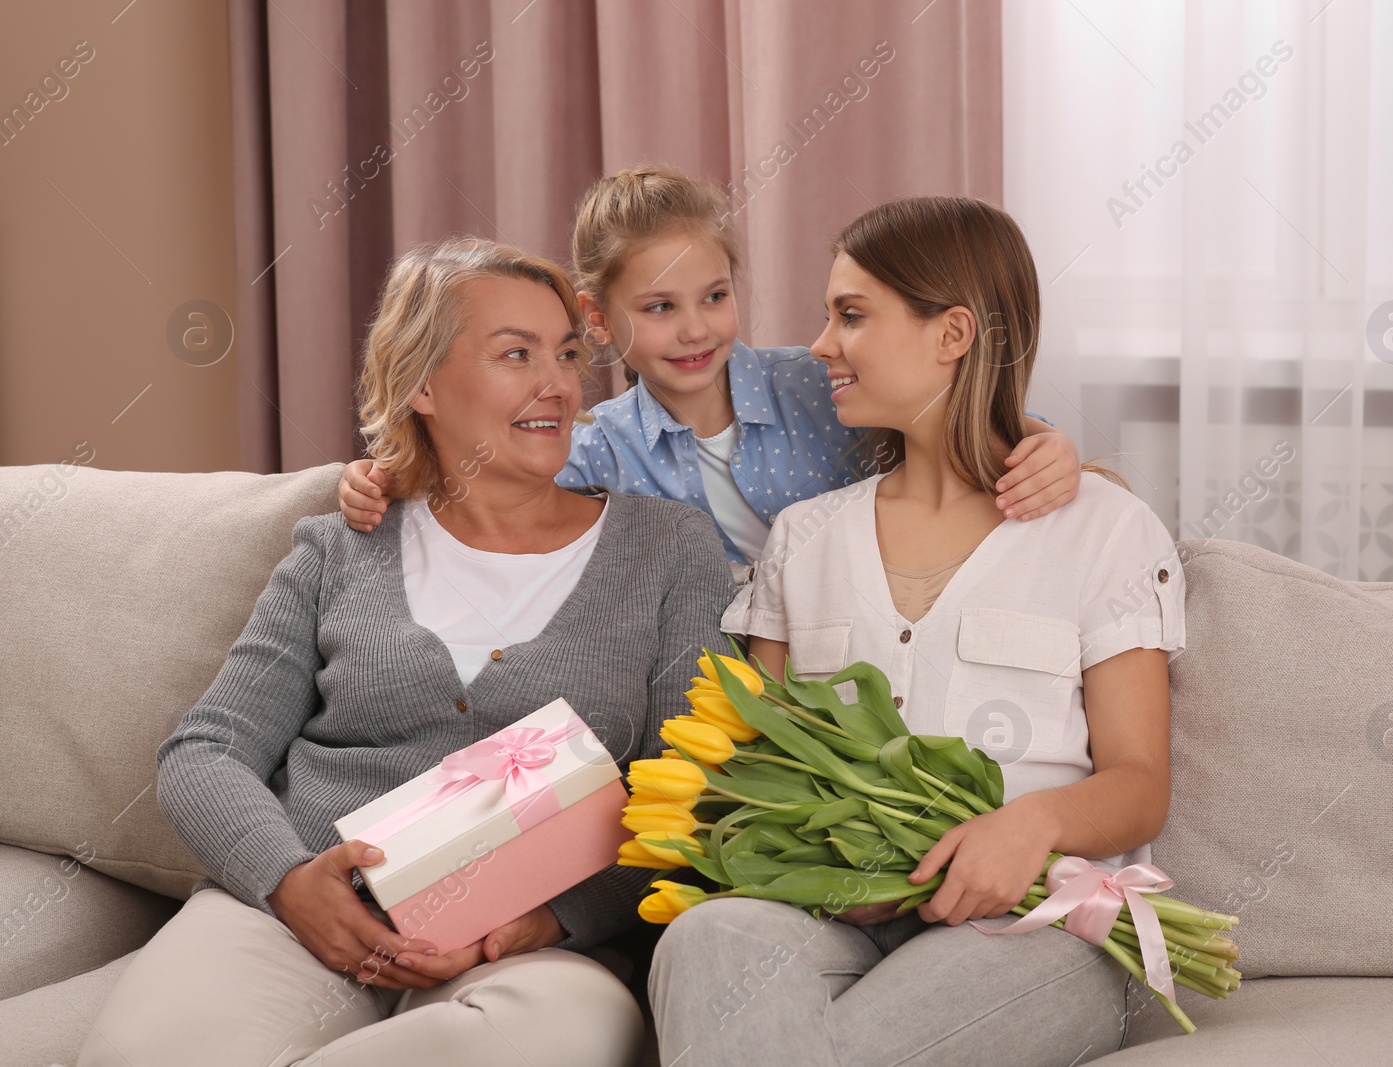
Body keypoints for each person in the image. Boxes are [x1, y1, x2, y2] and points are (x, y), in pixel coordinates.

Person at [79, 238, 733, 1067]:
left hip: (523, 955)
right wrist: (289, 882)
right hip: (300, 916)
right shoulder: (340, 546)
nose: (559, 383)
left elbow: (689, 794)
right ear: (422, 383)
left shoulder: (671, 549)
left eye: (567, 353)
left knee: (562, 1034)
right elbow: (203, 752)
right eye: (515, 353)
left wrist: (545, 917)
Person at [650, 197, 1185, 1067]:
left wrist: (1031, 825)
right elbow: (761, 764)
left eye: (851, 315)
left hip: (1035, 927)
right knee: (706, 941)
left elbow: (1141, 782)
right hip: (836, 914)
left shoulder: (1105, 528)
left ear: (954, 334)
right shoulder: (806, 538)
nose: (821, 343)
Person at [336, 165, 1084, 568]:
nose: (696, 328)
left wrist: (1040, 437)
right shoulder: (597, 447)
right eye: (659, 308)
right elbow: (483, 480)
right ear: (598, 320)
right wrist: (377, 478)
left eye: (716, 296)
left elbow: (943, 411)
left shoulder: (815, 381)